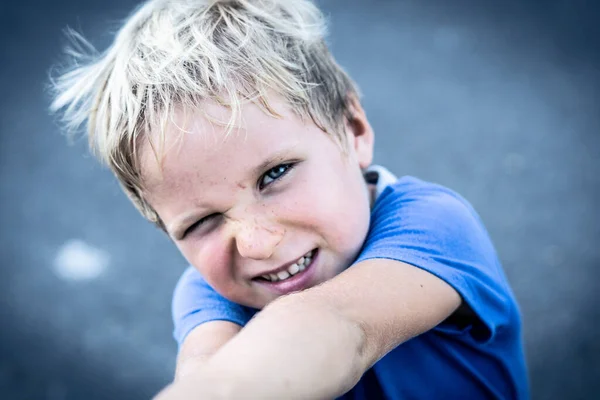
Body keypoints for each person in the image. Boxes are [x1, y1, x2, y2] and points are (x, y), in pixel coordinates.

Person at [50, 0, 529, 398]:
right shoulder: (207, 293)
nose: (257, 244)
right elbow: (203, 374)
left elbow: (342, 326)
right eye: (203, 222)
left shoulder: (435, 226)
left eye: (274, 174)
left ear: (353, 129)